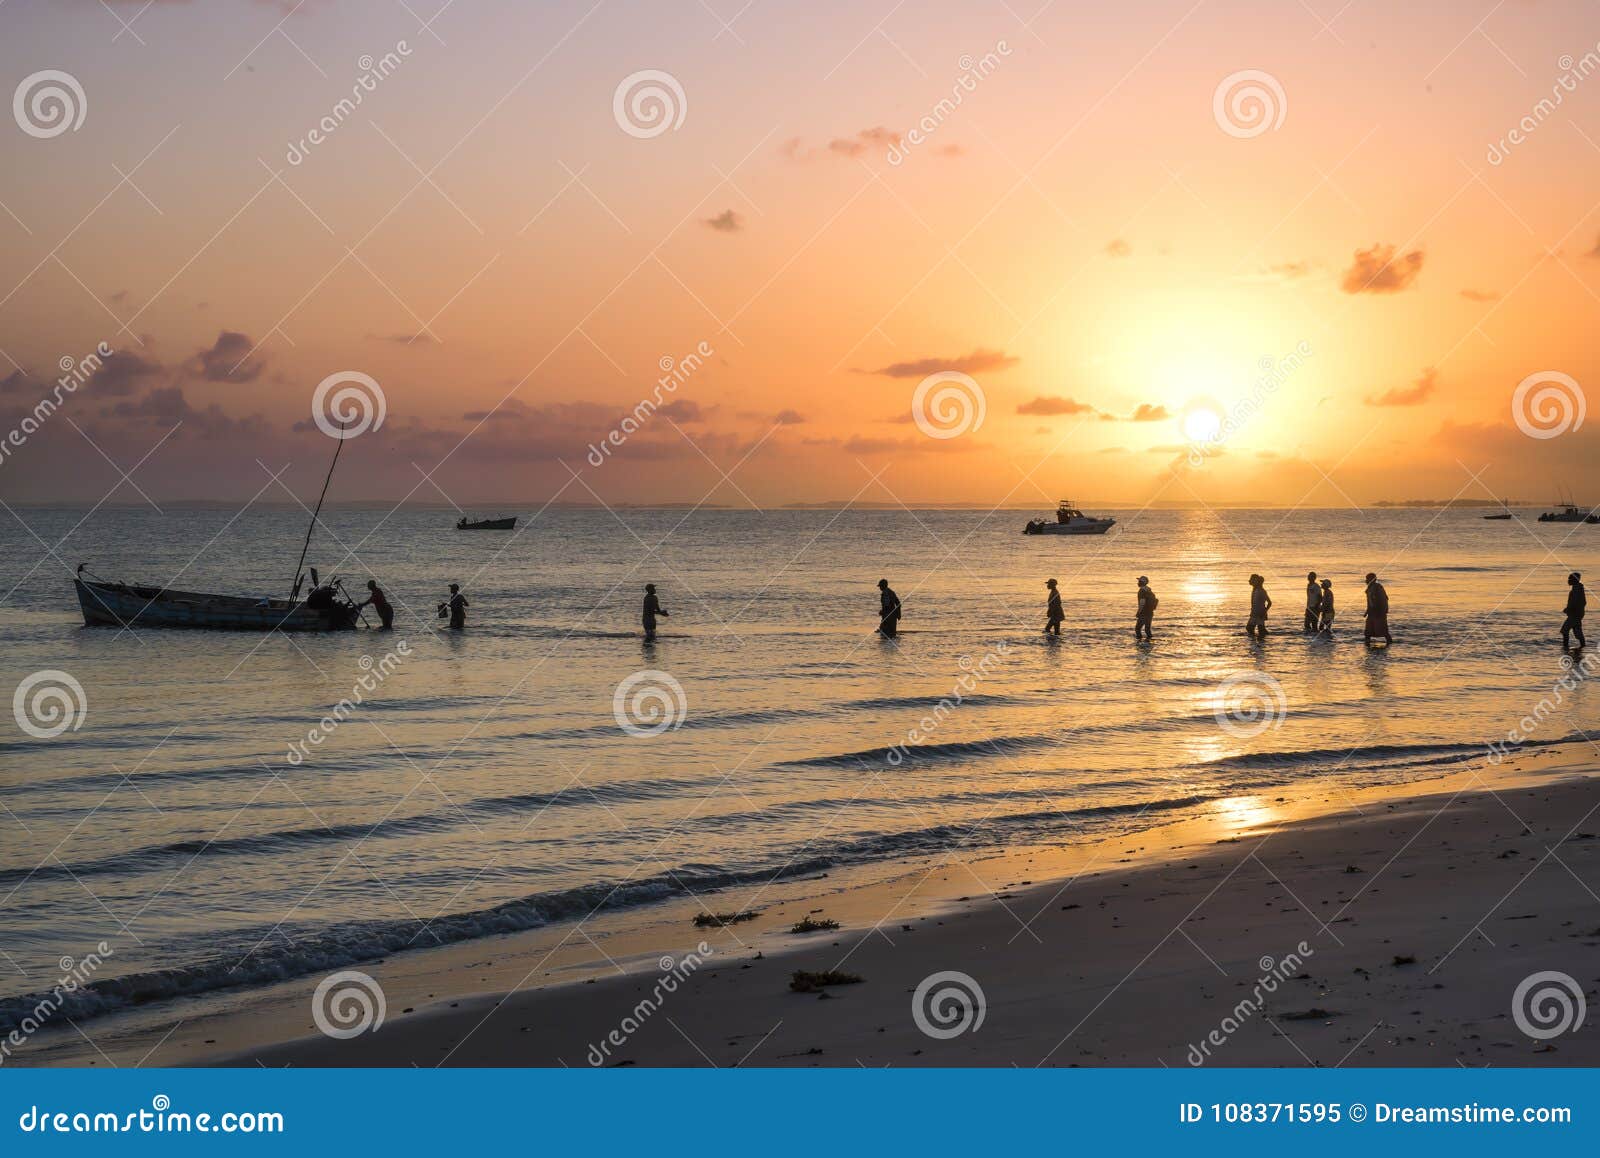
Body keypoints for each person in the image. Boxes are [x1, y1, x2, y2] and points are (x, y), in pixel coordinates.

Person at [1363, 572, 1391, 644]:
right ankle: (1367, 644)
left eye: (1367, 579)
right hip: (1372, 612)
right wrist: (1367, 611)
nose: (1366, 581)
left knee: (1382, 629)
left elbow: (1383, 599)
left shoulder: (1378, 587)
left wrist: (1381, 611)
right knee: (1368, 631)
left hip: (1379, 612)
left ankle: (1389, 642)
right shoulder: (1369, 588)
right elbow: (1369, 601)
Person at [1562, 571, 1587, 650]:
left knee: (1565, 630)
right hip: (1577, 614)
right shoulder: (1578, 589)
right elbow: (1583, 602)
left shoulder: (1577, 590)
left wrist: (1569, 609)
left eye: (1570, 579)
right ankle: (1582, 647)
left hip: (1574, 615)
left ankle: (1565, 648)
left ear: (1575, 580)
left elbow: (1577, 603)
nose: (1568, 580)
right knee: (1578, 632)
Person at [1246, 574, 1272, 639]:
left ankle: (1261, 645)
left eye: (1251, 579)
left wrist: (1264, 612)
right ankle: (1254, 643)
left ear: (1256, 581)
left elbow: (1269, 603)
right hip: (1254, 613)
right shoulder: (1255, 590)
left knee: (1260, 631)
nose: (1249, 581)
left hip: (1260, 613)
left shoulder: (1261, 591)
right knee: (1250, 628)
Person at [1135, 575, 1156, 641]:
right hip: (1150, 612)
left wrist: (1138, 612)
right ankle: (1148, 643)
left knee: (1137, 628)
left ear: (1142, 582)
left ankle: (1139, 642)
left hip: (1143, 613)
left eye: (1139, 581)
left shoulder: (1141, 591)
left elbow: (1142, 602)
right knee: (1147, 629)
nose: (1138, 582)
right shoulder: (1149, 590)